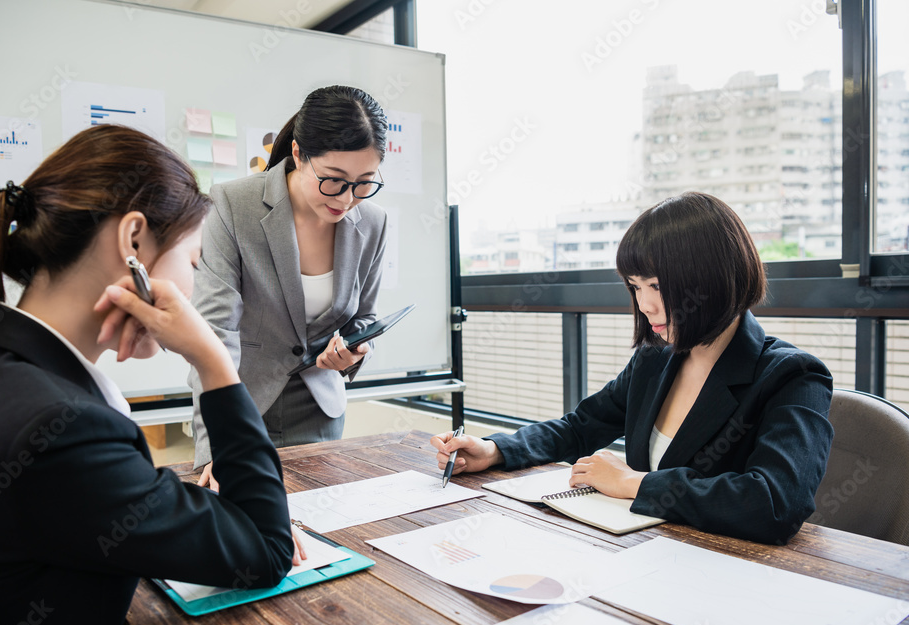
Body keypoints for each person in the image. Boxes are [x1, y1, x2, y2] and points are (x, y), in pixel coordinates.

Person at [0, 125, 301, 625]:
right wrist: (212, 360)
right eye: (192, 262)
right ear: (134, 242)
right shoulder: (60, 424)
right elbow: (265, 548)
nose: (194, 287)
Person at [431, 192, 834, 545]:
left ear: (710, 279)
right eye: (635, 287)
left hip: (728, 573)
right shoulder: (656, 358)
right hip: (640, 549)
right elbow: (580, 427)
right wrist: (496, 450)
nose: (644, 305)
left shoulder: (792, 376)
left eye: (656, 286)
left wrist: (633, 482)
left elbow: (774, 504)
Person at [190, 85, 389, 490]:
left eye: (364, 182)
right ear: (299, 154)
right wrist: (218, 445)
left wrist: (353, 350)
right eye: (334, 180)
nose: (348, 199)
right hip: (239, 404)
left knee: (324, 536)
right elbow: (215, 332)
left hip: (319, 410)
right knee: (243, 531)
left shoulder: (373, 221)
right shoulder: (233, 204)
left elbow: (363, 316)